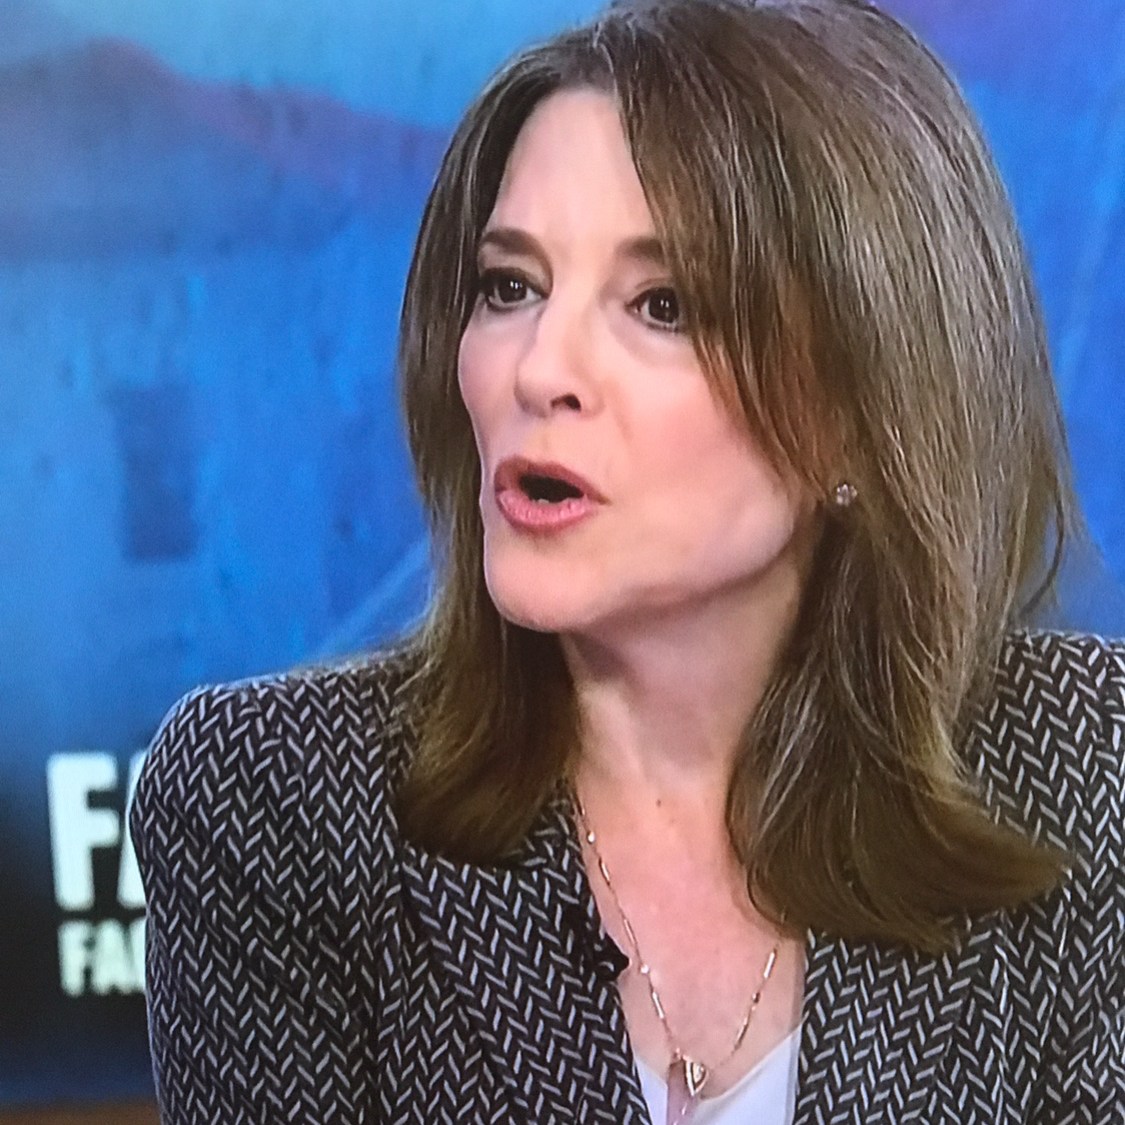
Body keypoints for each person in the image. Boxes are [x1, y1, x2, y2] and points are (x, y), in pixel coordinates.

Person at [130, 0, 1125, 1122]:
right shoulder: (282, 801)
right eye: (509, 286)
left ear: (862, 410)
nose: (538, 369)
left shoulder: (1089, 769)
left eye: (662, 305)